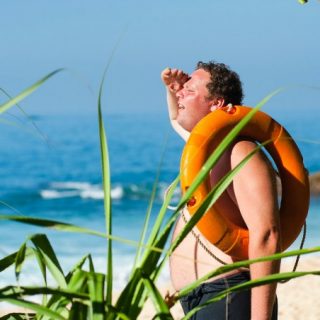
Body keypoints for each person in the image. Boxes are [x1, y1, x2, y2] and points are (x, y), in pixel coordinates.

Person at [161, 61, 280, 320]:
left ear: (217, 104)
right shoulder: (204, 151)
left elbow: (267, 235)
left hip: (229, 292)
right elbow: (174, 119)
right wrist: (174, 89)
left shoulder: (240, 153)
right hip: (197, 298)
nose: (180, 94)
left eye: (189, 91)